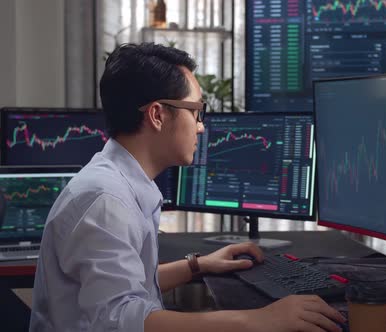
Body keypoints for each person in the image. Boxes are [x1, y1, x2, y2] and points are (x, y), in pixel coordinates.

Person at [30, 43, 346, 332]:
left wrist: (197, 266)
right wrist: (261, 319)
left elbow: (127, 285)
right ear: (157, 115)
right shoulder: (106, 201)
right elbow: (121, 320)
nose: (201, 125)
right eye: (195, 111)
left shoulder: (118, 183)